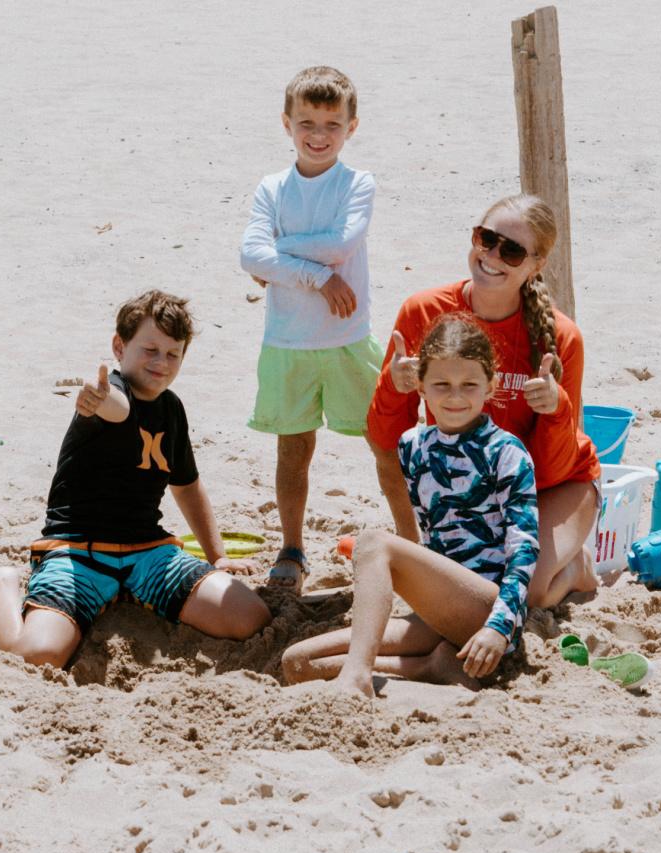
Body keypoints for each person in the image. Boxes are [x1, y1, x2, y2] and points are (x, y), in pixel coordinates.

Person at [0, 290, 271, 669]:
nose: (161, 362)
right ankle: (2, 584)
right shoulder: (112, 392)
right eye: (150, 350)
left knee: (249, 617)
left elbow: (187, 485)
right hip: (78, 552)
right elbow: (119, 408)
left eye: (173, 354)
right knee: (38, 655)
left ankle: (135, 594)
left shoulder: (172, 409)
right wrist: (98, 397)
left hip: (148, 552)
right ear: (119, 347)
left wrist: (218, 557)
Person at [282, 317, 538, 695]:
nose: (455, 397)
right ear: (420, 386)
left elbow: (524, 550)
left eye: (469, 385)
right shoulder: (413, 446)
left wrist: (499, 627)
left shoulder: (506, 452)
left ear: (491, 385)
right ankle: (432, 666)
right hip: (440, 613)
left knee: (373, 542)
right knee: (299, 662)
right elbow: (433, 540)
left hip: (489, 611)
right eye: (442, 384)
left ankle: (357, 677)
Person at [367, 193, 599, 609]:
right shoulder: (423, 311)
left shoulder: (562, 337)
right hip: (464, 485)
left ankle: (576, 567)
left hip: (552, 487)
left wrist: (556, 408)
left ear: (536, 265)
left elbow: (554, 468)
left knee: (527, 594)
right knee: (458, 591)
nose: (491, 256)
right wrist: (393, 384)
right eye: (486, 239)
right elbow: (386, 443)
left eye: (511, 251)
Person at [239, 65, 384, 594]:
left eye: (331, 124)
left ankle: (415, 541)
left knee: (385, 442)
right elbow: (248, 256)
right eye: (307, 123)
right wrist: (317, 276)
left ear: (351, 127)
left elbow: (341, 243)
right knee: (293, 449)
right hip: (288, 342)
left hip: (348, 338)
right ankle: (292, 546)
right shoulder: (272, 188)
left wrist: (278, 254)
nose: (318, 135)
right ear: (287, 123)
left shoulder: (357, 183)